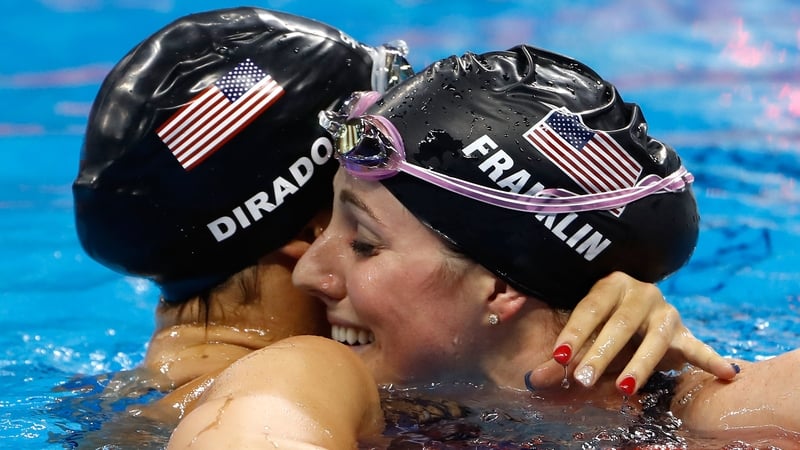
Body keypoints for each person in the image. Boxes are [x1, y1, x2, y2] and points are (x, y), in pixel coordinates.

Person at [74, 9, 739, 447]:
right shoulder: (308, 374)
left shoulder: (120, 397)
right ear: (308, 224)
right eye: (355, 224)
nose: (322, 268)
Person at [284, 45, 799, 440]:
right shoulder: (320, 382)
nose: (306, 272)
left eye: (366, 244)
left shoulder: (717, 416)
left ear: (501, 287)